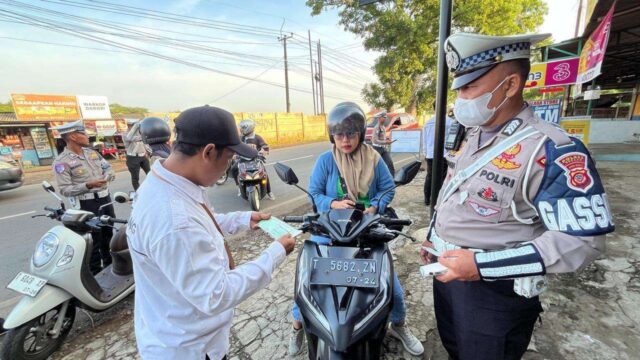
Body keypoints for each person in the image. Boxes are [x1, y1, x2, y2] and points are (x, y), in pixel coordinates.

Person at [419, 33, 614, 360]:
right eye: (459, 89)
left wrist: (481, 265)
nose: (460, 99)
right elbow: (455, 192)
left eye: (470, 88)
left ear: (510, 85)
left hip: (495, 294)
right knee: (455, 349)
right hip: (449, 272)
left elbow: (584, 242)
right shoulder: (476, 132)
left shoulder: (551, 148)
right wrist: (434, 238)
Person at [127, 105, 296, 360]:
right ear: (208, 152)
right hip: (189, 349)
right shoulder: (174, 220)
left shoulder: (168, 182)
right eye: (228, 158)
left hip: (178, 329)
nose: (228, 166)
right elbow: (216, 295)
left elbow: (203, 223)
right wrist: (275, 253)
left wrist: (243, 218)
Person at [288, 102, 424, 357]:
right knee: (307, 284)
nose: (345, 140)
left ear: (361, 133)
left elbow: (388, 189)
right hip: (330, 230)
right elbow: (315, 193)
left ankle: (399, 325)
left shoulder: (374, 157)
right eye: (339, 134)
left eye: (351, 133)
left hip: (367, 231)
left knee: (391, 287)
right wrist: (333, 203)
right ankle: (298, 326)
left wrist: (374, 207)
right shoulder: (326, 160)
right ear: (332, 136)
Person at [52, 121, 116, 274]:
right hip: (86, 204)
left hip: (104, 199)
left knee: (108, 234)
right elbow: (65, 190)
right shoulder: (61, 161)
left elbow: (108, 168)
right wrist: (87, 185)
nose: (87, 136)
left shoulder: (92, 153)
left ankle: (111, 267)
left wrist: (108, 176)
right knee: (92, 240)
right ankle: (95, 272)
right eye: (84, 133)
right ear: (73, 136)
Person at [230, 119, 275, 200]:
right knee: (234, 170)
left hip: (255, 159)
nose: (240, 129)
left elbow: (264, 146)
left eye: (242, 127)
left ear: (248, 128)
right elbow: (236, 147)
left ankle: (269, 192)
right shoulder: (241, 138)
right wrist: (234, 154)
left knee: (264, 174)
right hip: (242, 159)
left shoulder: (257, 137)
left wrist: (264, 151)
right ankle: (239, 186)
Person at [422, 103, 453, 206]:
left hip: (430, 154)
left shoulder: (427, 123)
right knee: (443, 177)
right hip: (444, 154)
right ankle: (438, 199)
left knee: (430, 176)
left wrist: (425, 153)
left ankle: (427, 199)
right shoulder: (450, 122)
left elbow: (424, 140)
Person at [124, 119, 151, 191]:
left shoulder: (140, 133)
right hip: (132, 158)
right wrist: (136, 126)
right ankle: (138, 193)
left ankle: (152, 189)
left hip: (143, 156)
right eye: (133, 126)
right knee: (135, 177)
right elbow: (130, 138)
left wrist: (149, 151)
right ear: (130, 126)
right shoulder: (125, 134)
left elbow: (146, 143)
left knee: (150, 174)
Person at [371, 112, 395, 176]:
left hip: (383, 148)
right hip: (377, 149)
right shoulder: (376, 128)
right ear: (379, 118)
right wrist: (385, 142)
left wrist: (387, 140)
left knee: (390, 163)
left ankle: (392, 180)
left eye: (385, 117)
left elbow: (382, 137)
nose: (385, 119)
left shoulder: (383, 127)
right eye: (384, 117)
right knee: (376, 167)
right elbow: (374, 140)